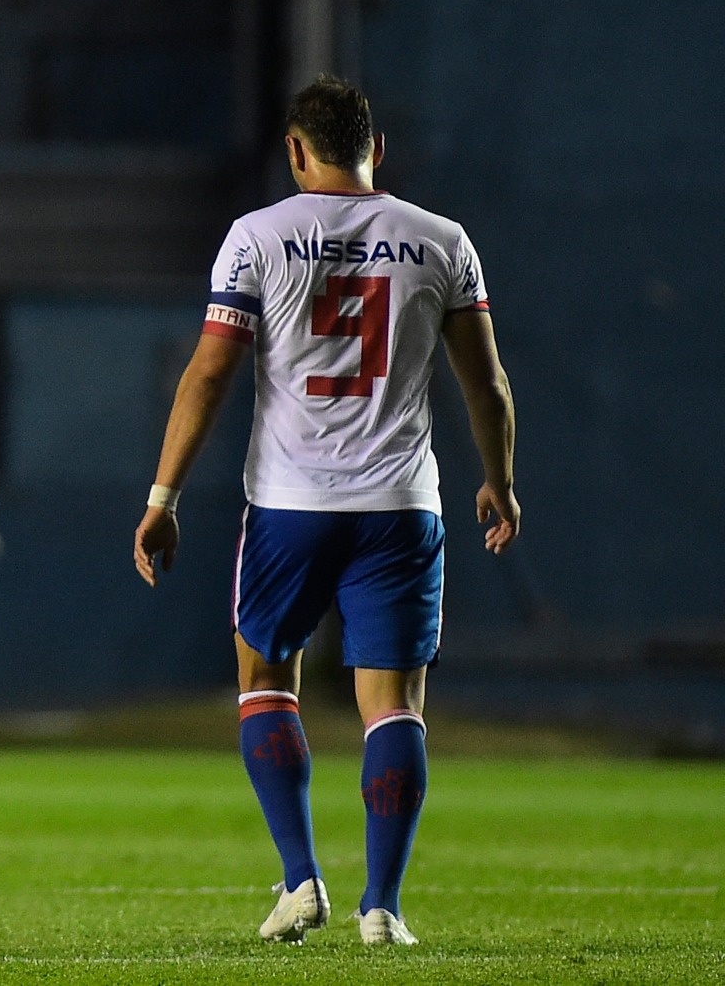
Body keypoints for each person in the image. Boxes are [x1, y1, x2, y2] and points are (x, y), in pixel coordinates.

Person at [133, 74, 518, 947]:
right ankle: (382, 906)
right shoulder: (441, 240)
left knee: (266, 684)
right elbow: (485, 382)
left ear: (297, 153)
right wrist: (497, 478)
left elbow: (209, 372)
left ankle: (301, 877)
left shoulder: (258, 236)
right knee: (395, 707)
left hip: (289, 505)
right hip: (400, 506)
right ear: (377, 150)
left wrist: (163, 497)